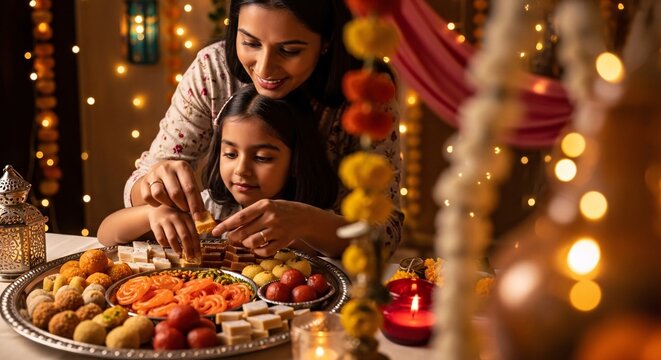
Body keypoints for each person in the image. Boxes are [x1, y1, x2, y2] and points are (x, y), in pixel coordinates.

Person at [123, 0, 402, 258]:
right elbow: (137, 189)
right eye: (250, 43)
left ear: (326, 40)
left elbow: (385, 233)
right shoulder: (213, 70)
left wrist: (308, 223)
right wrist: (155, 189)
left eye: (290, 50)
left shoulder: (366, 90)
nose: (265, 69)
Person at [99, 85, 337, 258]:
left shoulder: (304, 221)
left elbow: (351, 247)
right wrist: (152, 215)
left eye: (262, 157)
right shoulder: (207, 208)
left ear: (296, 161)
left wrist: (306, 227)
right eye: (231, 154)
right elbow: (106, 234)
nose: (242, 170)